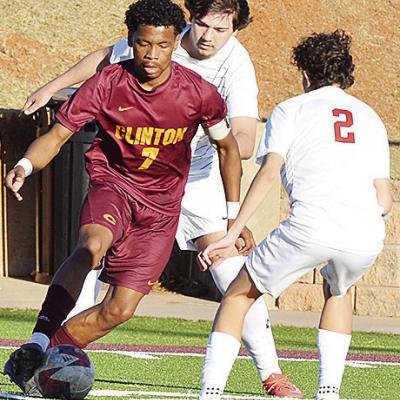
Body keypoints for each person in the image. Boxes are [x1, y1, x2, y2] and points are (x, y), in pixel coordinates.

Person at [18, 0, 302, 397]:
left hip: (197, 179)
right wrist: (51, 87)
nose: (208, 37)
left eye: (221, 30)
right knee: (90, 255)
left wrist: (194, 134)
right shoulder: (155, 41)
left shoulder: (234, 66)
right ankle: (46, 347)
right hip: (127, 177)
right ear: (189, 21)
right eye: (202, 25)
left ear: (236, 31)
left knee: (234, 273)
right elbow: (103, 58)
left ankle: (271, 373)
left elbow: (242, 142)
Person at [197, 30, 392, 400]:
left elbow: (269, 173)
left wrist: (230, 232)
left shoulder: (291, 109)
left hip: (311, 226)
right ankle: (329, 393)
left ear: (304, 73)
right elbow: (384, 198)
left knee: (238, 295)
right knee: (339, 290)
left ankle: (210, 393)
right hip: (365, 232)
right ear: (346, 73)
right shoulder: (371, 118)